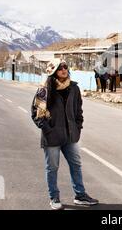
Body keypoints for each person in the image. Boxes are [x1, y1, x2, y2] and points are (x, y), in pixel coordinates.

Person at [31, 58, 98, 210]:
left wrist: (78, 126)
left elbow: (78, 110)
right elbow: (37, 114)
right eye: (60, 68)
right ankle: (54, 198)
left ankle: (80, 196)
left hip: (71, 136)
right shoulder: (44, 89)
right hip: (52, 137)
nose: (63, 70)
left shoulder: (74, 88)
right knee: (52, 168)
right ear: (53, 72)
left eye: (65, 67)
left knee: (76, 165)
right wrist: (48, 129)